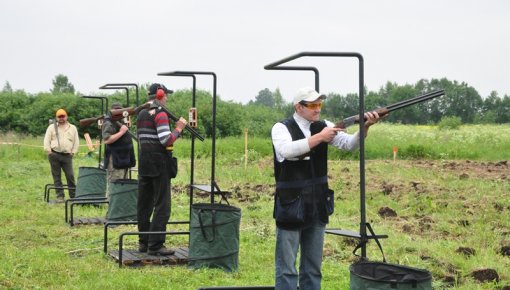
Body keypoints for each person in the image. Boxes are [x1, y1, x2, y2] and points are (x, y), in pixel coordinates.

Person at [271, 87, 380, 290]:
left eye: (319, 104)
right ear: (298, 107)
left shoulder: (324, 126)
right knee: (287, 269)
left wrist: (365, 127)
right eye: (312, 105)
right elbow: (286, 151)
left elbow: (349, 145)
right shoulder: (281, 128)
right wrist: (321, 137)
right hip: (291, 205)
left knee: (313, 269)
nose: (318, 109)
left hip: (317, 204)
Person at [136, 83, 187, 256]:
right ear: (159, 95)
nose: (167, 98)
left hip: (144, 162)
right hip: (159, 163)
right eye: (166, 95)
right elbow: (166, 140)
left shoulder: (141, 113)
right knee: (162, 206)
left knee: (144, 204)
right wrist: (179, 128)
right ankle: (156, 245)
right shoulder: (161, 114)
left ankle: (143, 242)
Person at [43, 108, 80, 201]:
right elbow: (46, 140)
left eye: (63, 116)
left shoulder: (73, 128)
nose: (61, 118)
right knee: (56, 176)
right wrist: (49, 151)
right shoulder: (51, 127)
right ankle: (60, 196)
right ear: (56, 118)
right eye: (59, 117)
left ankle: (73, 196)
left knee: (70, 176)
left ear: (66, 117)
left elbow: (76, 141)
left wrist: (73, 152)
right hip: (54, 154)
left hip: (67, 155)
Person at [102, 102, 136, 184]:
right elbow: (107, 140)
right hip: (115, 160)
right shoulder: (109, 122)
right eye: (116, 110)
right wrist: (121, 132)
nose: (118, 112)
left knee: (123, 185)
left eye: (119, 110)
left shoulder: (120, 120)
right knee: (115, 185)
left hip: (123, 159)